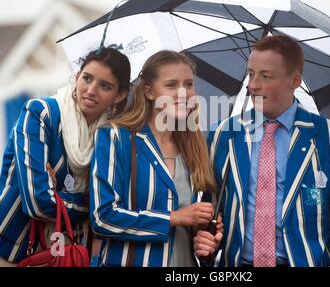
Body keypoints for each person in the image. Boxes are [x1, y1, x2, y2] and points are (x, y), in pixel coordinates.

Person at [194, 35, 330, 267]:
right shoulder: (223, 135)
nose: (253, 85)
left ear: (294, 81)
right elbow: (208, 215)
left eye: (265, 76)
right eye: (251, 74)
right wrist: (205, 243)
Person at [89, 50, 222, 267]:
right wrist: (175, 218)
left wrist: (205, 239)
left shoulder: (196, 149)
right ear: (150, 92)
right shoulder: (115, 137)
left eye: (188, 85)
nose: (183, 93)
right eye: (171, 85)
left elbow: (199, 236)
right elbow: (102, 217)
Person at [0, 47, 130, 266]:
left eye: (105, 86)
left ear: (120, 94)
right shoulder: (41, 113)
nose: (91, 90)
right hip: (12, 248)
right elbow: (37, 203)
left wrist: (58, 195)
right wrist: (91, 207)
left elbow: (114, 204)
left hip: (67, 254)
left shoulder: (111, 136)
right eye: (87, 78)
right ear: (77, 76)